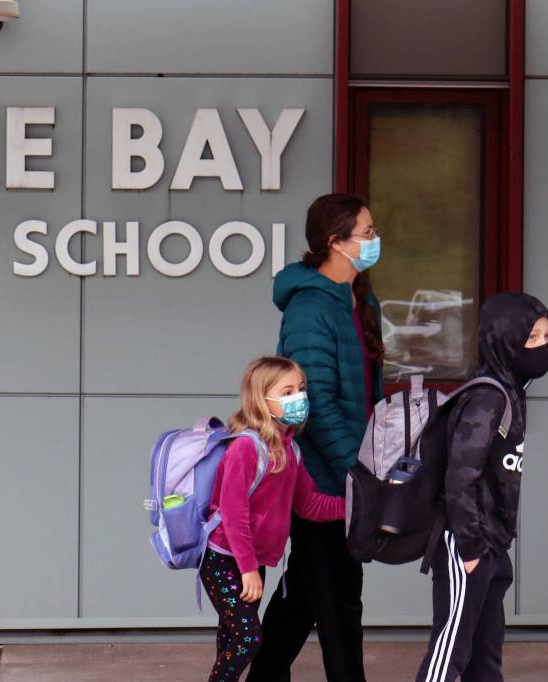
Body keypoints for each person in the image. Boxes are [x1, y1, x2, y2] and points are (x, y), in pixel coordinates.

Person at [247, 193, 384, 682]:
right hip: (323, 474)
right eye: (366, 233)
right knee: (340, 598)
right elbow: (315, 403)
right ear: (335, 242)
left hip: (353, 464)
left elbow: (369, 388)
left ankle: (263, 673)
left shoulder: (360, 299)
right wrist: (355, 467)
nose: (374, 240)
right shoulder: (309, 309)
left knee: (308, 589)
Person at [416, 293, 548, 682]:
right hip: (469, 545)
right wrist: (472, 546)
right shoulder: (487, 397)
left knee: (485, 658)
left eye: (546, 337)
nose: (543, 347)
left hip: (493, 545)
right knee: (450, 653)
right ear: (504, 339)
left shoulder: (510, 392)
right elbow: (460, 477)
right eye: (532, 338)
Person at [200, 356, 345, 682]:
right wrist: (248, 569)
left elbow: (309, 505)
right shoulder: (245, 449)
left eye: (302, 389)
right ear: (261, 400)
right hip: (224, 560)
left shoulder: (290, 450)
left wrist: (357, 509)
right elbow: (234, 515)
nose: (299, 398)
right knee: (247, 639)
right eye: (288, 391)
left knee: (231, 638)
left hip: (254, 562)